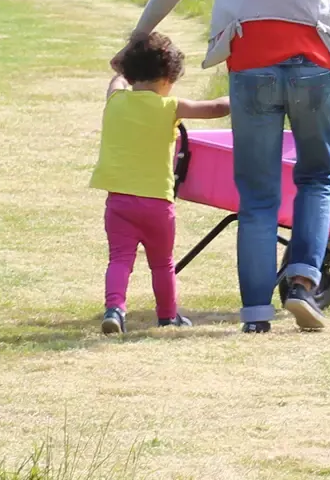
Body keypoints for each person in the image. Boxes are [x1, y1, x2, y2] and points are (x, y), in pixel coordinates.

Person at [116, 0, 330, 333]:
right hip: (317, 67)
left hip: (254, 68)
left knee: (258, 194)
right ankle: (303, 282)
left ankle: (255, 314)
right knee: (317, 177)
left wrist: (133, 47)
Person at [90, 31, 229, 336]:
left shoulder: (115, 99)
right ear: (168, 78)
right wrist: (243, 95)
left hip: (120, 201)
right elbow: (217, 108)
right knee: (162, 263)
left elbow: (116, 76)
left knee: (119, 260)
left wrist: (121, 65)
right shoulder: (170, 107)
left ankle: (114, 309)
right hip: (157, 202)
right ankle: (167, 316)